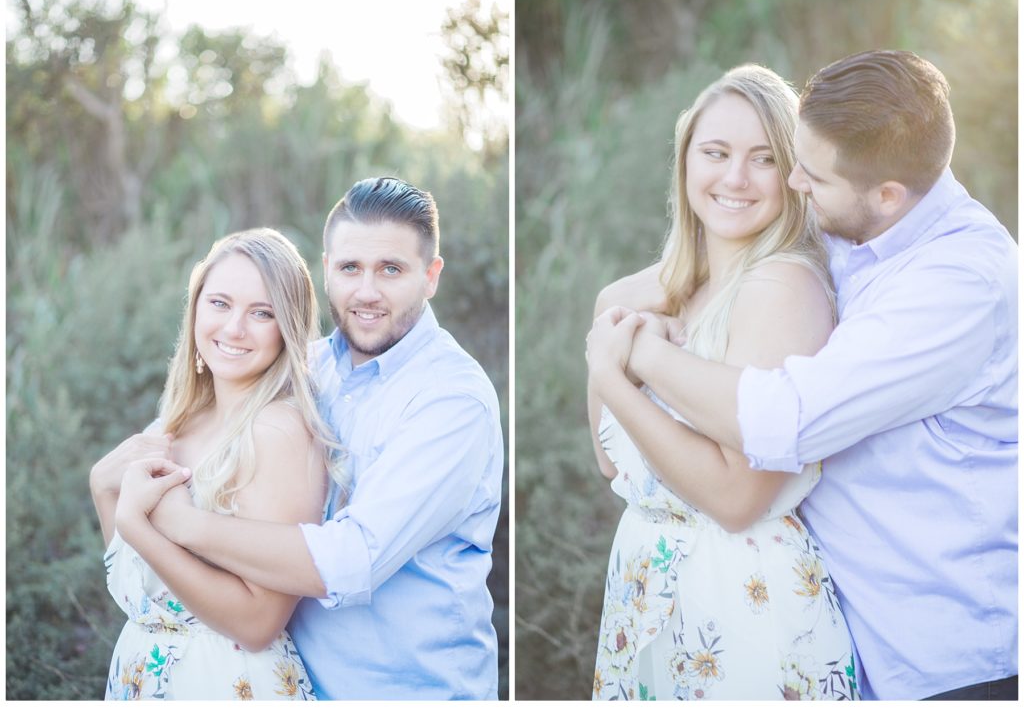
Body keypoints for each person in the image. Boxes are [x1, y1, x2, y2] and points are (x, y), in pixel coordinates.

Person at [598, 50, 1018, 700]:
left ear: (886, 194)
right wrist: (625, 307)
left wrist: (633, 356)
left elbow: (784, 420)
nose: (794, 182)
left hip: (944, 653)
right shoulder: (855, 226)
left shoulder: (958, 282)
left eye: (804, 171)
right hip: (847, 626)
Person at [128, 177, 505, 700]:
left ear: (431, 275)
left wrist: (180, 522)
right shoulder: (307, 367)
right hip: (287, 686)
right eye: (351, 268)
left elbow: (353, 559)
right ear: (327, 269)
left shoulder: (451, 401)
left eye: (391, 269)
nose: (367, 291)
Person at [586, 65, 858, 701]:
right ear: (686, 161)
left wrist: (615, 370)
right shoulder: (630, 296)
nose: (735, 178)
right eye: (716, 152)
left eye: (764, 158)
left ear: (793, 174)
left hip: (743, 601)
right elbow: (612, 465)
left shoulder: (784, 288)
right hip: (644, 581)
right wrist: (616, 341)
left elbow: (738, 499)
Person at [90, 227, 344, 700]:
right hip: (141, 677)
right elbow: (139, 594)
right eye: (220, 303)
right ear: (195, 307)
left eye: (261, 313)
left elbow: (258, 623)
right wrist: (103, 489)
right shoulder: (171, 423)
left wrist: (138, 523)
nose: (233, 329)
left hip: (227, 686)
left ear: (286, 327)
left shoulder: (278, 432)